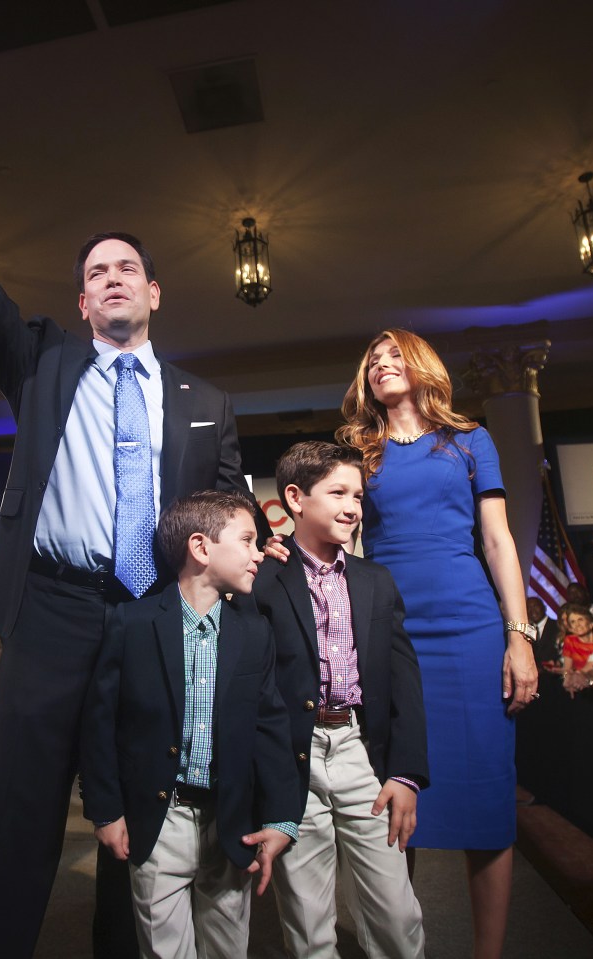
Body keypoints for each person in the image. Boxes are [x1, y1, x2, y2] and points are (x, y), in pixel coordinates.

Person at [0, 12, 258, 955]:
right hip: (52, 613)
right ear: (81, 303)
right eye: (96, 272)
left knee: (140, 818)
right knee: (26, 815)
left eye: (128, 267)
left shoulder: (207, 398)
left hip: (155, 612)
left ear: (155, 293)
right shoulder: (40, 361)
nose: (112, 277)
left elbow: (231, 508)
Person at [333, 329, 537, 959]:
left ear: (422, 367)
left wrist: (519, 636)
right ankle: (399, 949)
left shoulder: (471, 440)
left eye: (394, 356)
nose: (382, 367)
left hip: (469, 626)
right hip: (389, 628)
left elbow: (499, 542)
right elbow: (337, 533)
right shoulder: (358, 454)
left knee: (486, 798)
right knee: (395, 796)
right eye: (373, 362)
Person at [82, 492, 301, 959]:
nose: (258, 552)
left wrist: (281, 816)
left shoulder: (253, 630)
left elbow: (270, 724)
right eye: (247, 540)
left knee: (228, 948)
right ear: (201, 548)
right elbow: (100, 723)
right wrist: (105, 809)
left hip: (230, 820)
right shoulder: (132, 623)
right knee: (164, 950)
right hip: (160, 821)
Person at [252, 442, 428, 958]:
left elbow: (404, 679)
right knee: (308, 922)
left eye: (358, 494)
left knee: (397, 913)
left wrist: (406, 773)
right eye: (337, 492)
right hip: (292, 759)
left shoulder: (376, 580)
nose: (353, 506)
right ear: (294, 498)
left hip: (360, 751)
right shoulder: (264, 578)